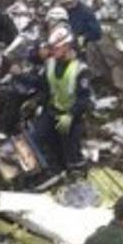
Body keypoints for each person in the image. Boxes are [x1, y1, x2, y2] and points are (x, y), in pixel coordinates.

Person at [32, 26, 92, 171]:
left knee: (71, 153)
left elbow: (84, 99)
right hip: (52, 110)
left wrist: (71, 115)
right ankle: (54, 170)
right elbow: (44, 86)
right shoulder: (51, 63)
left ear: (66, 46)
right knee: (36, 139)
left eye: (56, 48)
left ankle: (76, 171)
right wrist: (40, 104)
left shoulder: (81, 70)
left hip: (71, 116)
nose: (52, 52)